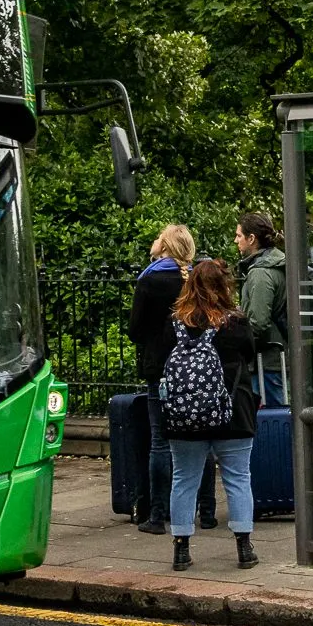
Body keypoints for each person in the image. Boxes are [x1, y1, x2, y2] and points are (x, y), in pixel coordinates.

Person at [163, 256, 264, 571]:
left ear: (189, 286)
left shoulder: (174, 324)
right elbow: (250, 354)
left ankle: (181, 549)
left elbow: (155, 364)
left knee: (183, 480)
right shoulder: (235, 323)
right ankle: (244, 547)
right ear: (224, 286)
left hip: (184, 417)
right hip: (231, 413)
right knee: (237, 478)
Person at [127, 225, 216, 534]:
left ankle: (157, 515)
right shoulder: (197, 279)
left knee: (160, 440)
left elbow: (135, 330)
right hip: (198, 367)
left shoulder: (149, 280)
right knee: (201, 436)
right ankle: (207, 512)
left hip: (160, 368)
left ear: (164, 246)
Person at [235, 213, 290, 408]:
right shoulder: (278, 263)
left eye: (239, 236)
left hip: (265, 360)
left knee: (270, 420)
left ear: (252, 239)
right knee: (281, 417)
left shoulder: (260, 272)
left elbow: (258, 321)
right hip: (278, 354)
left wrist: (240, 344)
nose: (236, 240)